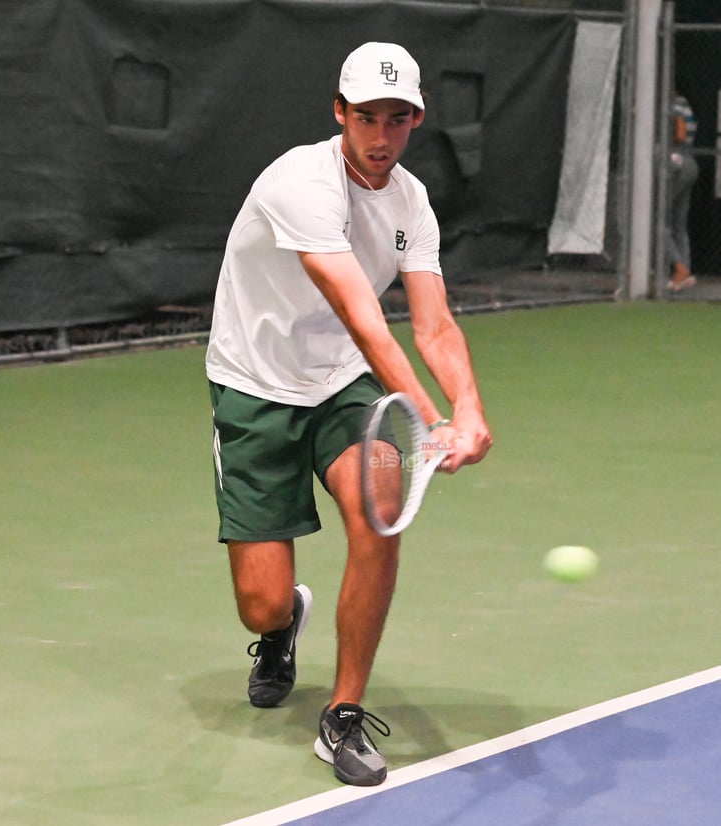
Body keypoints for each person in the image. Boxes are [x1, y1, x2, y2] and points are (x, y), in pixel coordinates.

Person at [204, 41, 492, 787]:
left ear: (416, 121)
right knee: (259, 602)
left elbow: (432, 324)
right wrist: (429, 419)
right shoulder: (301, 182)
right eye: (365, 117)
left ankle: (343, 715)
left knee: (382, 503)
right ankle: (279, 631)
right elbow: (362, 313)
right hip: (255, 383)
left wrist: (469, 406)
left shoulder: (411, 203)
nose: (380, 136)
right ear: (339, 113)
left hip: (340, 383)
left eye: (397, 120)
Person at [667, 92, 699, 292]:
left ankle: (679, 268)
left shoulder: (672, 105)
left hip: (677, 164)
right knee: (679, 223)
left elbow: (680, 133)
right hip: (690, 163)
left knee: (656, 220)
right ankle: (684, 271)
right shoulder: (685, 103)